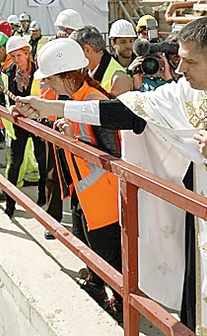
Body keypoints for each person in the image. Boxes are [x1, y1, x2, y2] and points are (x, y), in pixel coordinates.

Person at [15, 16, 207, 335]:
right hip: (201, 226)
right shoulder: (186, 94)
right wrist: (50, 108)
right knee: (198, 304)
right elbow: (129, 112)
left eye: (188, 61)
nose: (179, 69)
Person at [34, 38, 123, 318]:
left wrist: (75, 139)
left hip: (103, 198)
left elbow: (113, 154)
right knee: (96, 250)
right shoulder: (77, 100)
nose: (48, 86)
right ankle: (99, 285)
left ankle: (121, 305)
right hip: (87, 193)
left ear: (66, 76)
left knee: (112, 259)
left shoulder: (96, 102)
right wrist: (69, 131)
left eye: (50, 80)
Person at [2, 36, 48, 216]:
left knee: (42, 159)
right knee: (15, 163)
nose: (16, 60)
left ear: (28, 54)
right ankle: (10, 203)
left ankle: (43, 195)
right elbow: (4, 99)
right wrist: (11, 109)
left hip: (38, 122)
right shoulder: (8, 73)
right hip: (19, 124)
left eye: (19, 55)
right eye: (12, 56)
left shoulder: (40, 72)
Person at [70, 26, 133, 97]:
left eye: (75, 52)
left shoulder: (119, 79)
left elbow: (115, 107)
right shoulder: (87, 71)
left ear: (87, 49)